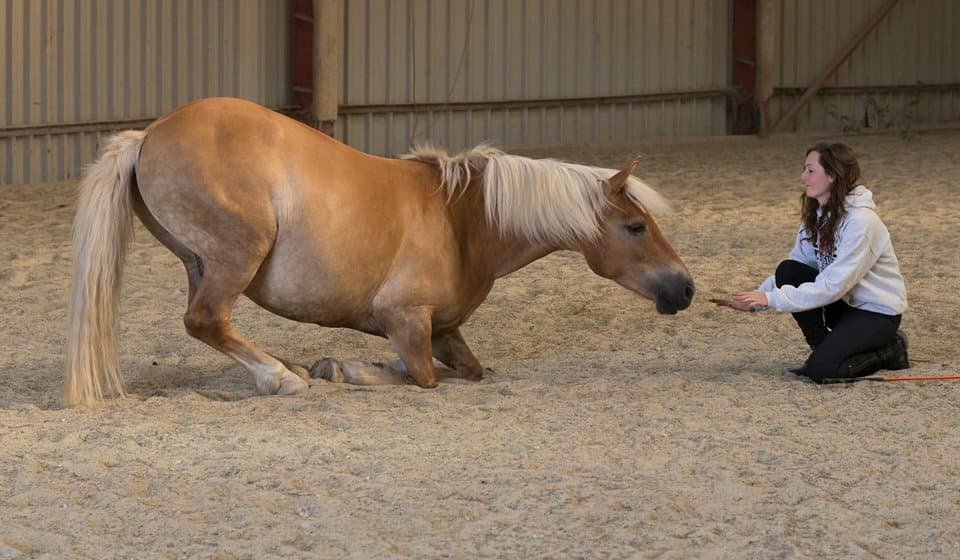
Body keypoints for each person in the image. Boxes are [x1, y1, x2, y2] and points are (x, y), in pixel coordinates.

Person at [712, 142, 909, 383]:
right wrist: (756, 299)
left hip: (877, 313)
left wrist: (772, 299)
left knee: (821, 372)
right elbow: (798, 267)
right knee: (788, 270)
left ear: (832, 176)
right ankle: (822, 348)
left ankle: (892, 350)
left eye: (810, 170)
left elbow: (833, 285)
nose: (803, 177)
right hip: (844, 305)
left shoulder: (861, 222)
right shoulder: (818, 214)